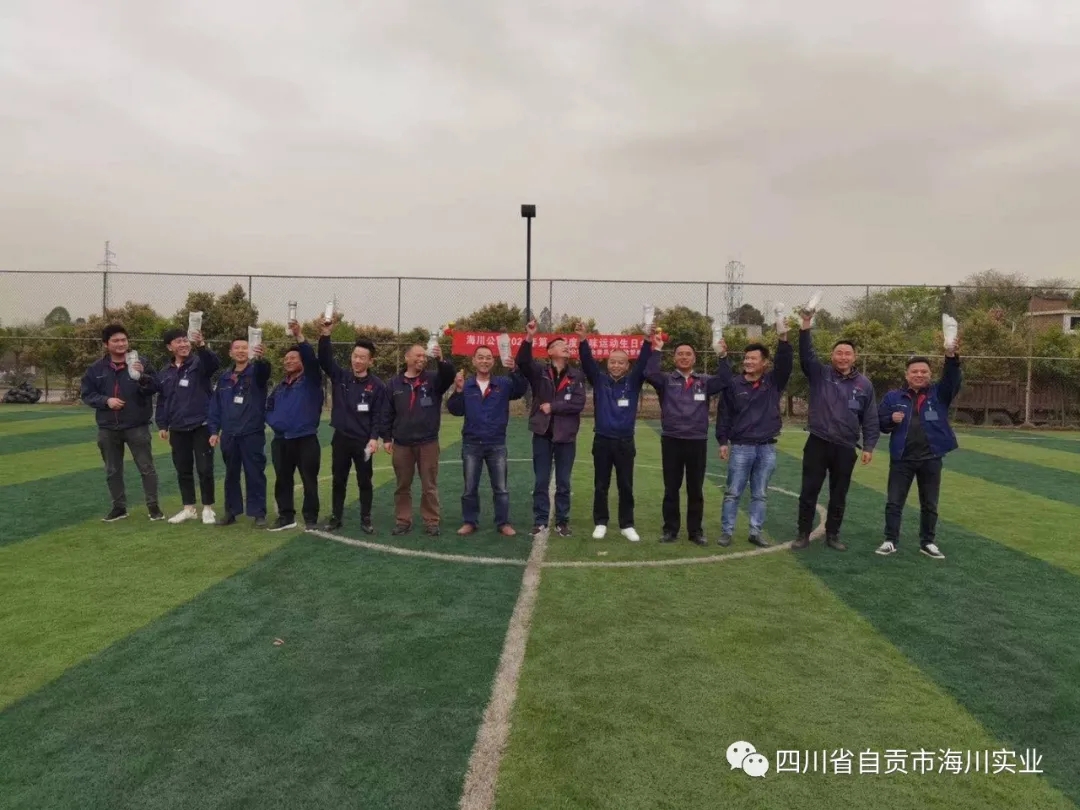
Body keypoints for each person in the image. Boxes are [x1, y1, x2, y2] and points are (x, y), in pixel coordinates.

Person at [792, 313, 879, 551]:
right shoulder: (820, 374)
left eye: (847, 353)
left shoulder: (864, 385)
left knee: (839, 494)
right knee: (809, 491)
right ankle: (803, 533)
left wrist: (869, 446)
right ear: (832, 356)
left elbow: (870, 417)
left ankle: (833, 535)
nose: (843, 357)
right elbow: (806, 354)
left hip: (845, 447)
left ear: (854, 357)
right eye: (839, 353)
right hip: (818, 442)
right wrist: (805, 325)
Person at [875, 345, 962, 559]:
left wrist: (951, 357)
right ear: (907, 375)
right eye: (914, 371)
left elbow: (952, 378)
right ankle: (890, 540)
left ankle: (928, 542)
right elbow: (880, 423)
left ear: (930, 375)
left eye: (924, 371)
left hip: (931, 458)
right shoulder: (893, 397)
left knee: (929, 504)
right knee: (894, 502)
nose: (919, 375)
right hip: (902, 459)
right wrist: (890, 419)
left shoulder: (939, 394)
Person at [575, 323, 658, 542]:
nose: (616, 365)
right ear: (607, 363)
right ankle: (600, 522)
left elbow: (643, 361)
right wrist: (583, 340)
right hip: (602, 440)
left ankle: (627, 524)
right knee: (601, 485)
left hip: (625, 441)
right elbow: (587, 362)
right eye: (612, 361)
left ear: (627, 365)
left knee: (626, 485)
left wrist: (647, 340)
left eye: (621, 362)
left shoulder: (633, 381)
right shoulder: (599, 380)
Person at [645, 338, 729, 545]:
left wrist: (722, 356)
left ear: (695, 358)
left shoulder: (704, 381)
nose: (684, 357)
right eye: (680, 354)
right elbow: (649, 373)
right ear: (674, 358)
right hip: (672, 440)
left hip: (697, 440)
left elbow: (725, 379)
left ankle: (695, 531)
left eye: (688, 354)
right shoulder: (666, 380)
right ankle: (670, 530)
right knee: (671, 488)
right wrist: (657, 349)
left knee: (695, 489)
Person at [715, 332, 793, 548]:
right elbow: (724, 414)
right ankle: (726, 532)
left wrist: (783, 339)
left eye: (753, 358)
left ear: (764, 362)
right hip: (741, 447)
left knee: (760, 494)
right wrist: (722, 441)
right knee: (733, 492)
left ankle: (755, 531)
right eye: (746, 358)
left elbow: (785, 363)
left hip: (767, 448)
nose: (748, 362)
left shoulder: (773, 382)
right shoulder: (734, 384)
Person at [80, 324, 163, 522]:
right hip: (108, 427)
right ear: (106, 344)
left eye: (124, 340)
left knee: (146, 467)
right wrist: (106, 401)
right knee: (112, 470)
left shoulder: (141, 362)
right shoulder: (96, 369)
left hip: (137, 425)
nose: (121, 344)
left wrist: (143, 376)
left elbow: (156, 386)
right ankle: (119, 508)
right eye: (116, 340)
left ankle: (153, 507)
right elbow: (87, 394)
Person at [446, 347, 528, 536]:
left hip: (496, 443)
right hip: (471, 444)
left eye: (488, 358)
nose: (484, 361)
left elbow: (521, 389)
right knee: (469, 488)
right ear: (473, 361)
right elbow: (455, 410)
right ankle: (470, 521)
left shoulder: (503, 384)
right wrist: (458, 390)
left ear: (493, 361)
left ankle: (503, 523)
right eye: (480, 357)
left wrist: (515, 370)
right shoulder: (467, 385)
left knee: (501, 488)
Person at [516, 321, 587, 538]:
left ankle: (562, 522)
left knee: (564, 482)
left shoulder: (576, 375)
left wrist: (553, 407)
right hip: (542, 434)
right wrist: (529, 336)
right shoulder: (540, 372)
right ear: (549, 352)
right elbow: (522, 361)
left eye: (567, 345)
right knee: (541, 480)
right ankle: (540, 520)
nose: (566, 347)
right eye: (560, 345)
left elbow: (578, 403)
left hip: (566, 436)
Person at [317, 328, 388, 534]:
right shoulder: (341, 377)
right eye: (355, 356)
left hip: (363, 442)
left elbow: (378, 415)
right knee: (338, 480)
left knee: (364, 481)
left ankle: (366, 518)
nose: (357, 360)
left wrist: (374, 438)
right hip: (341, 439)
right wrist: (325, 336)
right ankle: (336, 517)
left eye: (362, 358)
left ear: (370, 361)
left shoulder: (377, 386)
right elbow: (325, 360)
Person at [381, 342, 456, 536]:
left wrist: (441, 359)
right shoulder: (394, 384)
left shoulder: (433, 379)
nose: (422, 359)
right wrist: (387, 437)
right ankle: (402, 520)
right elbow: (387, 412)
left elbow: (449, 376)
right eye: (418, 355)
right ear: (407, 357)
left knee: (429, 485)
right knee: (402, 485)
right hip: (402, 443)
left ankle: (431, 521)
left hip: (427, 442)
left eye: (424, 356)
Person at [156, 328, 221, 525]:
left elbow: (213, 364)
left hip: (201, 424)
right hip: (177, 427)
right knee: (183, 469)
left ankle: (208, 508)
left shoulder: (199, 363)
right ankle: (189, 508)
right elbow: (163, 399)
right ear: (170, 347)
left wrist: (202, 345)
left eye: (186, 340)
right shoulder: (165, 372)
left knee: (204, 469)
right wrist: (162, 424)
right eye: (179, 341)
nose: (184, 344)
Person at [265, 320, 325, 531]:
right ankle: (286, 516)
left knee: (309, 480)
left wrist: (300, 336)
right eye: (286, 359)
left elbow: (311, 359)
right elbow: (268, 407)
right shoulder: (280, 387)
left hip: (305, 438)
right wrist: (275, 422)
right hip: (281, 440)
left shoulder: (311, 380)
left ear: (302, 362)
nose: (288, 361)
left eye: (293, 358)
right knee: (282, 479)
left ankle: (311, 518)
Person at [208, 335, 271, 528]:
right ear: (231, 352)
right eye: (237, 348)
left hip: (252, 433)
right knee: (231, 475)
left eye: (245, 348)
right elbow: (216, 406)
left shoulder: (256, 373)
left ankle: (258, 513)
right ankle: (231, 512)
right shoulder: (224, 378)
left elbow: (264, 371)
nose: (241, 351)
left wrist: (261, 359)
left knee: (255, 473)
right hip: (229, 434)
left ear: (250, 351)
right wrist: (214, 430)